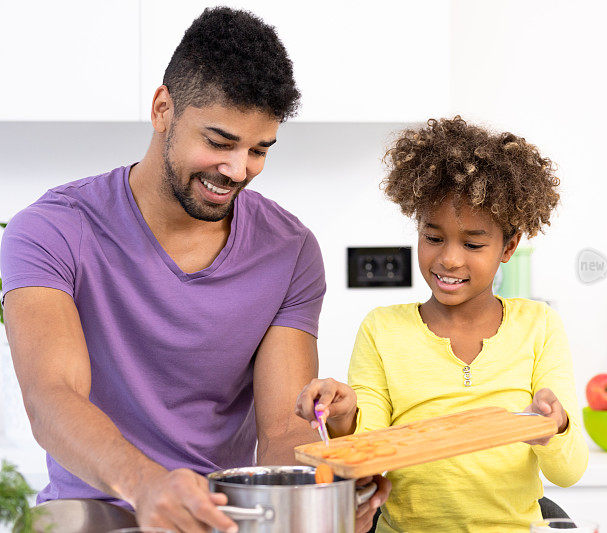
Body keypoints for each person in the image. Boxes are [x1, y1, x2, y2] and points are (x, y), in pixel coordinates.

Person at [0, 8, 388, 532]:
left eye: (259, 150)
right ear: (163, 109)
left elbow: (279, 432)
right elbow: (51, 396)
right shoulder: (51, 229)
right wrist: (144, 484)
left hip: (226, 513)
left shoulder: (290, 250)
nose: (238, 170)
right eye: (219, 142)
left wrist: (327, 496)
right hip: (96, 506)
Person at [296, 116, 588, 532]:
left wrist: (553, 426)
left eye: (472, 243)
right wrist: (343, 417)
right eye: (434, 238)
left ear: (509, 245)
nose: (449, 259)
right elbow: (367, 455)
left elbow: (570, 470)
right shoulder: (383, 330)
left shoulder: (538, 326)